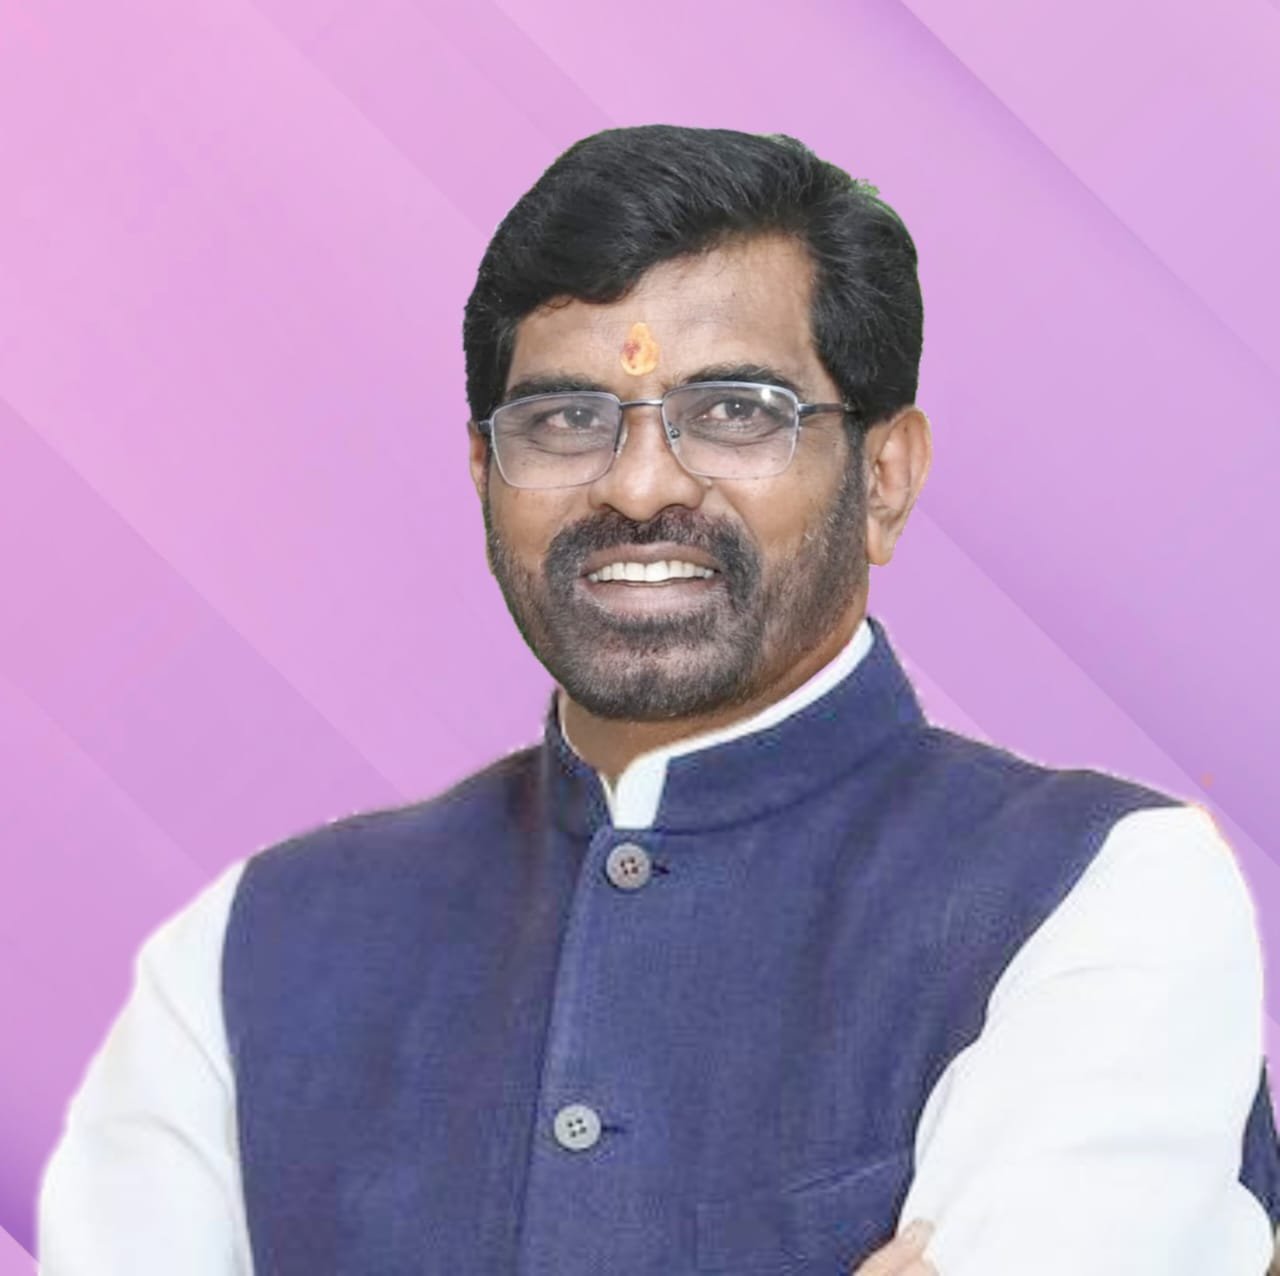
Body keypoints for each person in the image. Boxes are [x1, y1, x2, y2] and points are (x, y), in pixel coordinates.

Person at [37, 124, 1280, 1275]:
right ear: (483, 473)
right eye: (564, 417)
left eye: (733, 412)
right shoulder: (249, 952)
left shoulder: (1098, 892)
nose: (637, 486)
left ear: (884, 477)